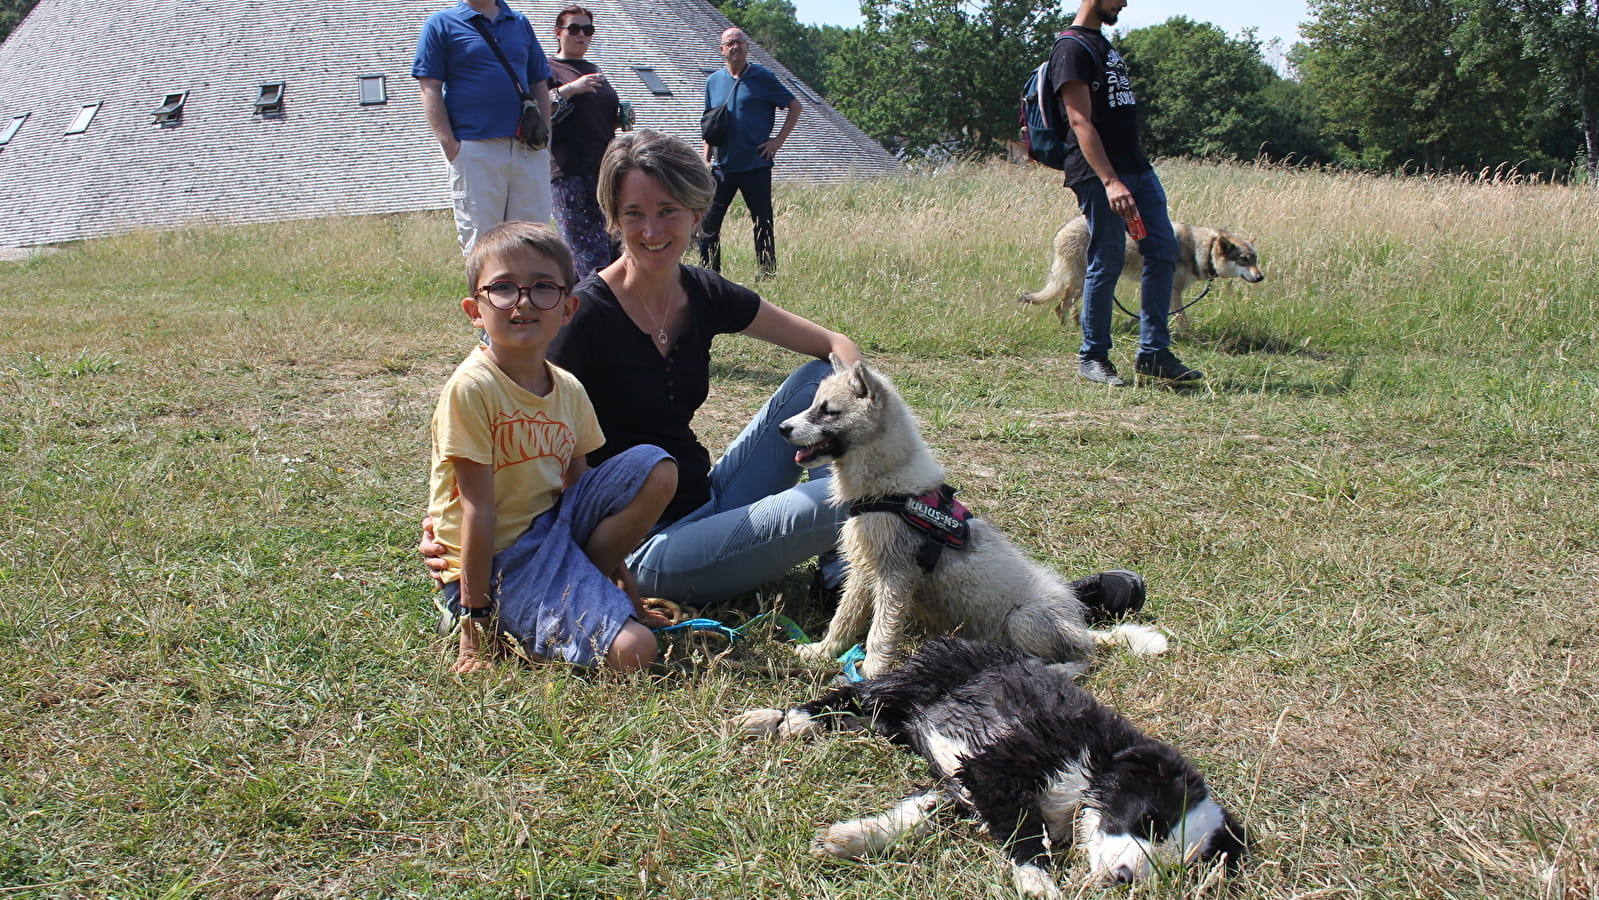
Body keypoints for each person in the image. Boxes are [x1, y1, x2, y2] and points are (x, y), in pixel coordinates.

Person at [426, 220, 678, 673]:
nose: (523, 301)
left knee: (656, 466)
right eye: (502, 288)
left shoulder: (569, 389)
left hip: (551, 536)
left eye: (543, 287)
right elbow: (477, 511)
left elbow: (583, 494)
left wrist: (628, 590)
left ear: (568, 307)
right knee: (636, 652)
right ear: (474, 310)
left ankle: (582, 597)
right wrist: (474, 629)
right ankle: (489, 616)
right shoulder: (472, 388)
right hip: (500, 562)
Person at [1054, 0, 1202, 386]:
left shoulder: (1103, 44)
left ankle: (1154, 353)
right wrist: (1110, 180)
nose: (1124, 2)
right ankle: (1093, 357)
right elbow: (1079, 120)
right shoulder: (1071, 48)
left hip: (1138, 169)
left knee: (1163, 251)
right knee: (1107, 259)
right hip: (1101, 175)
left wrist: (1131, 173)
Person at [413, 0, 555, 255]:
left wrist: (547, 138)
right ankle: (486, 296)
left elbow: (539, 82)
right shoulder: (441, 23)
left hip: (528, 148)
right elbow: (429, 87)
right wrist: (451, 146)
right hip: (475, 148)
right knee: (482, 244)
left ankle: (530, 295)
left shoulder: (519, 22)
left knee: (535, 241)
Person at [696, 27, 802, 280]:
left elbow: (794, 106)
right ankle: (710, 274)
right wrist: (705, 159)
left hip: (756, 164)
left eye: (740, 43)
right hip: (723, 166)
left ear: (747, 46)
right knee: (708, 224)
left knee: (762, 221)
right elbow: (710, 124)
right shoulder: (713, 82)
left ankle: (766, 271)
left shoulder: (762, 77)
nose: (736, 47)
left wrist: (777, 141)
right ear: (722, 50)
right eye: (730, 43)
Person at [547, 4, 626, 280]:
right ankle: (590, 315)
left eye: (588, 30)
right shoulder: (549, 68)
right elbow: (538, 110)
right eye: (574, 29)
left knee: (615, 249)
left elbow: (592, 119)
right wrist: (570, 89)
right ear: (559, 32)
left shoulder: (593, 68)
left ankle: (617, 314)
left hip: (605, 170)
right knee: (587, 256)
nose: (582, 35)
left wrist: (619, 120)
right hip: (571, 173)